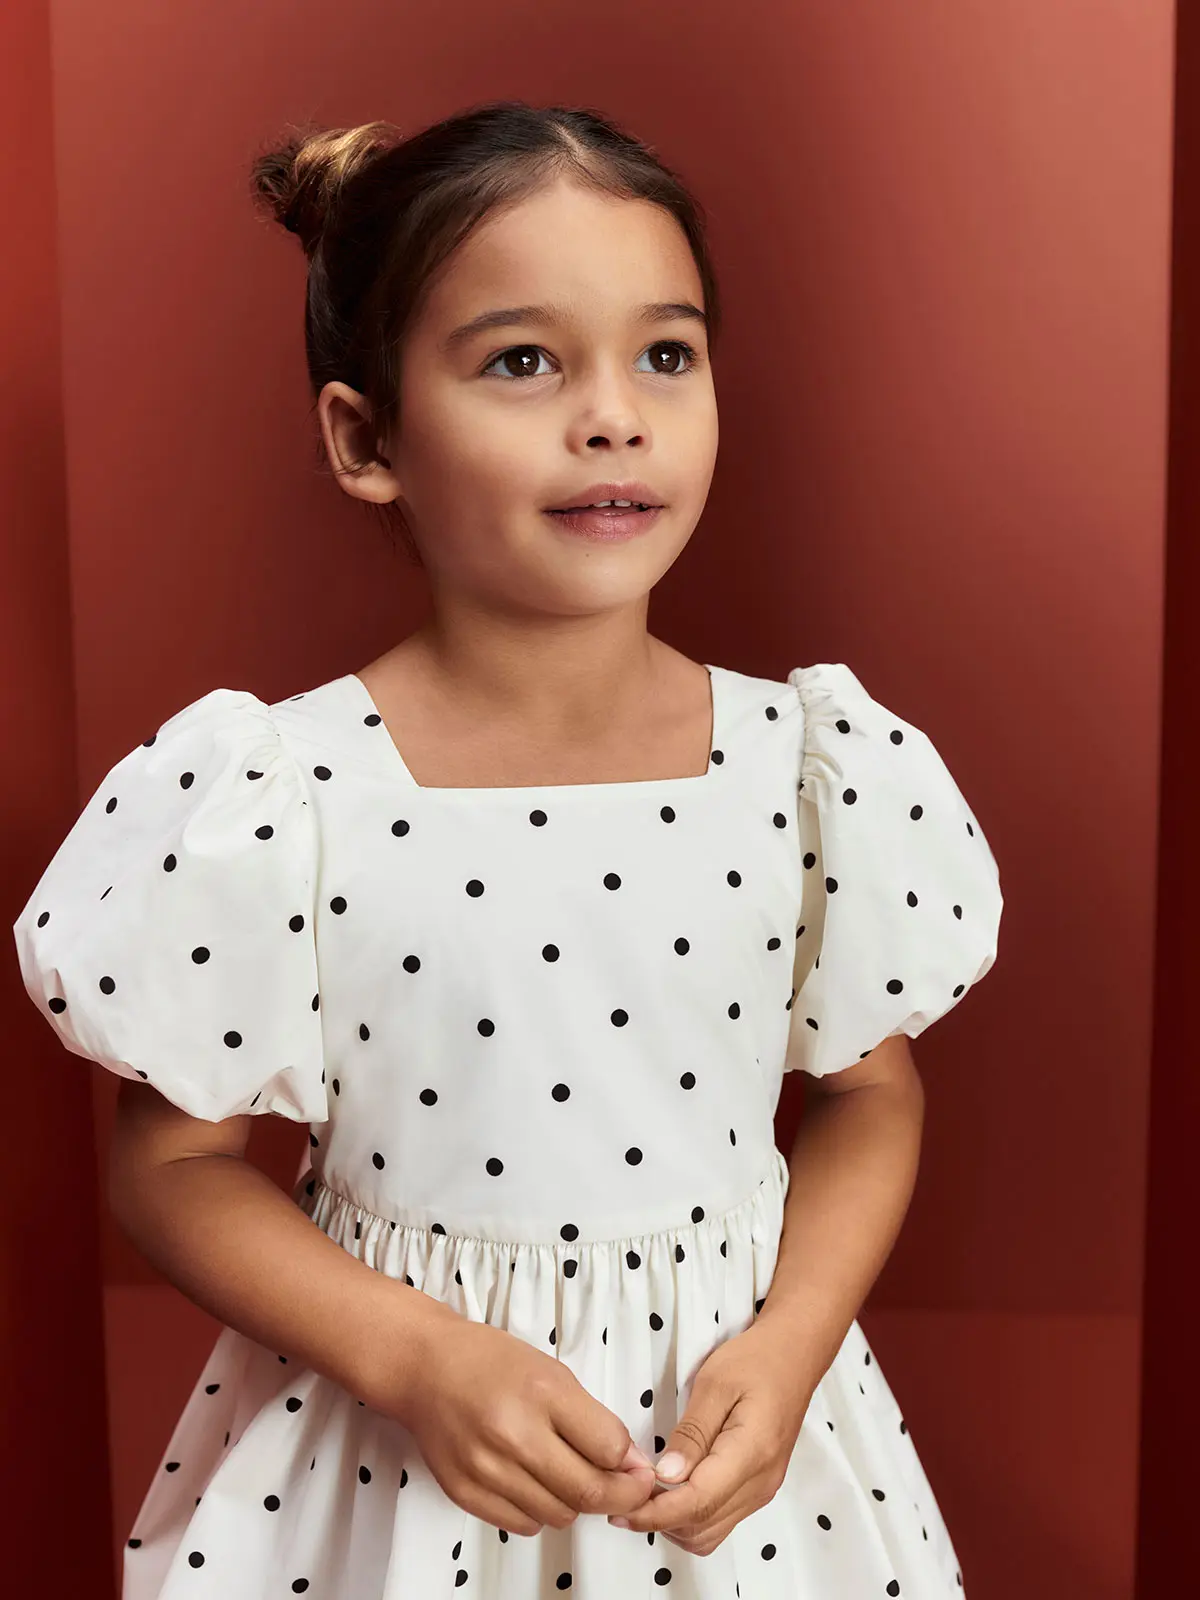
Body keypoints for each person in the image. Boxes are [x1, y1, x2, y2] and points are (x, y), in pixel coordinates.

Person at [12, 101, 1003, 1599]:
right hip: (394, 1468)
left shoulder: (810, 771)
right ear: (365, 439)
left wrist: (795, 1341)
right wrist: (412, 1355)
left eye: (665, 354)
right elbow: (176, 1161)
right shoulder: (285, 791)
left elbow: (871, 1093)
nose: (613, 414)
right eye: (522, 361)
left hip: (737, 1470)